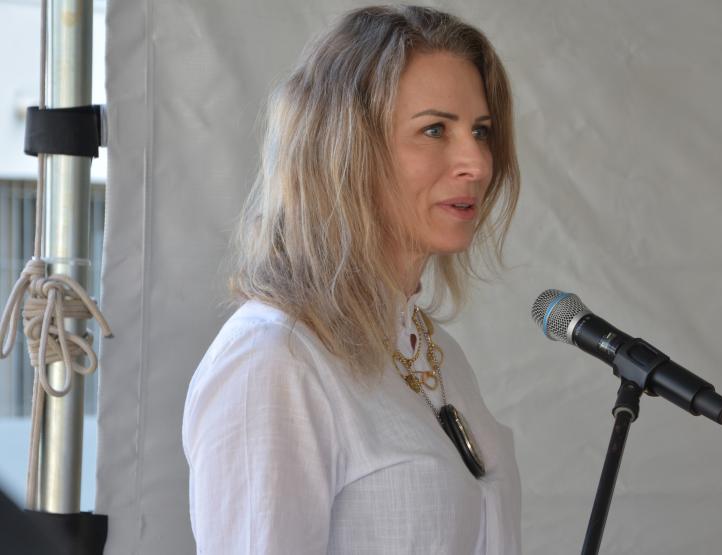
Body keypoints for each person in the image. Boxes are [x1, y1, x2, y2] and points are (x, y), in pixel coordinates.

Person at [182, 5, 521, 554]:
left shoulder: (439, 357)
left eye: (480, 131)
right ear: (344, 151)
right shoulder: (275, 362)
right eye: (434, 129)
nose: (477, 163)